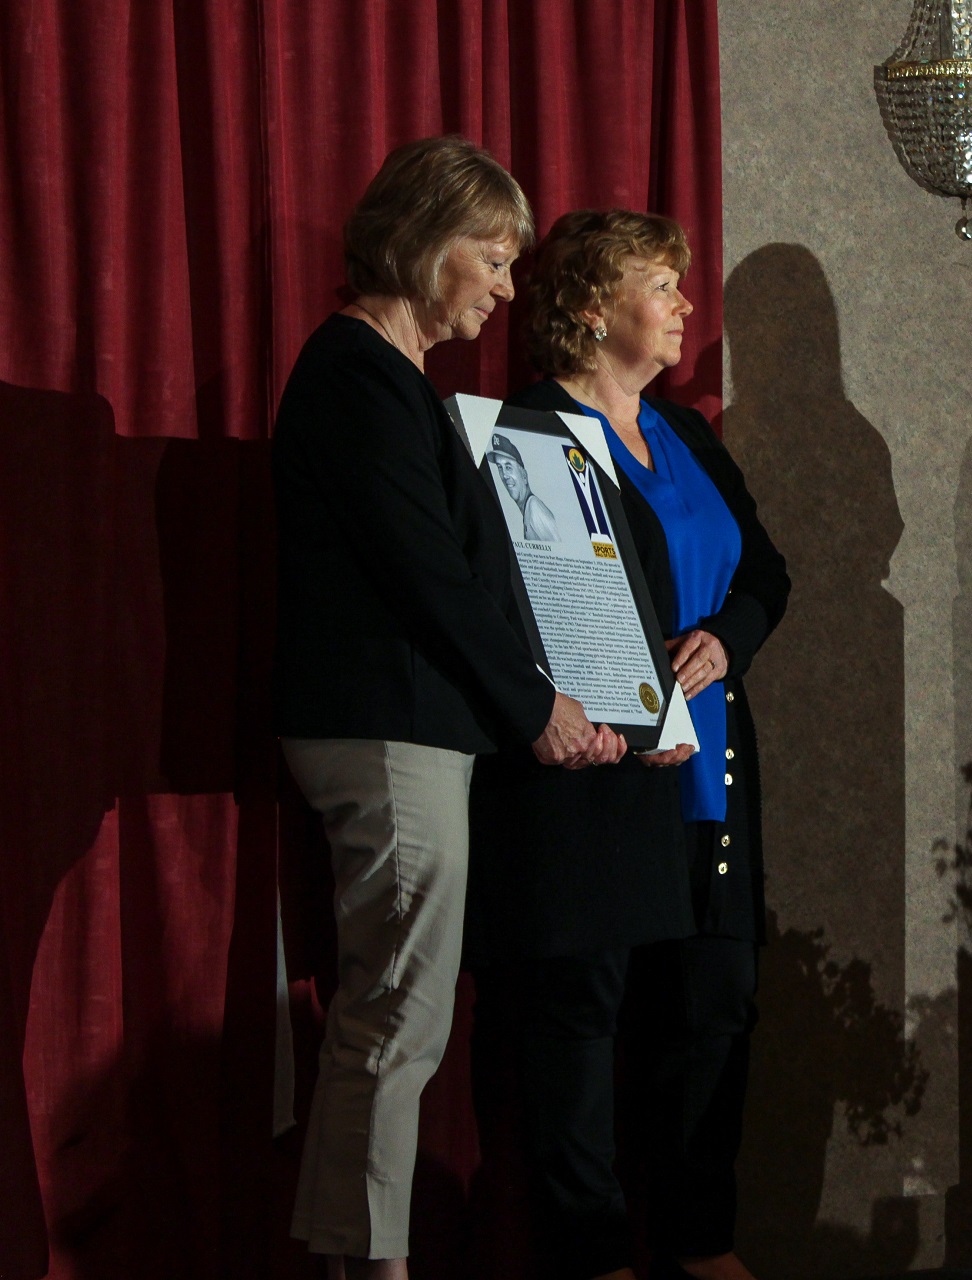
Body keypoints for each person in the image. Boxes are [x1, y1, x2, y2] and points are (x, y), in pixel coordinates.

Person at [272, 135, 628, 1280]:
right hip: (386, 724)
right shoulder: (356, 375)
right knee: (400, 1015)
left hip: (411, 722)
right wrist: (537, 706)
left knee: (390, 1007)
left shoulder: (394, 381)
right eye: (494, 255)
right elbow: (430, 574)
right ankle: (375, 1264)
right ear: (428, 244)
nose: (508, 287)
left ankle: (350, 1254)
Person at [468, 207, 788, 1280]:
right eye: (665, 283)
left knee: (714, 1008)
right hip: (599, 772)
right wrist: (632, 701)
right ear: (594, 306)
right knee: (585, 1017)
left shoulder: (689, 430)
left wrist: (724, 639)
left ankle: (702, 1240)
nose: (687, 305)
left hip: (709, 764)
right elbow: (536, 605)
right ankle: (594, 1253)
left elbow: (764, 576)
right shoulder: (531, 429)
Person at [487, 432, 563, 541]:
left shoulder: (535, 509)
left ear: (523, 474)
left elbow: (559, 552)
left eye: (508, 467)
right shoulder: (529, 509)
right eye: (500, 467)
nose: (504, 475)